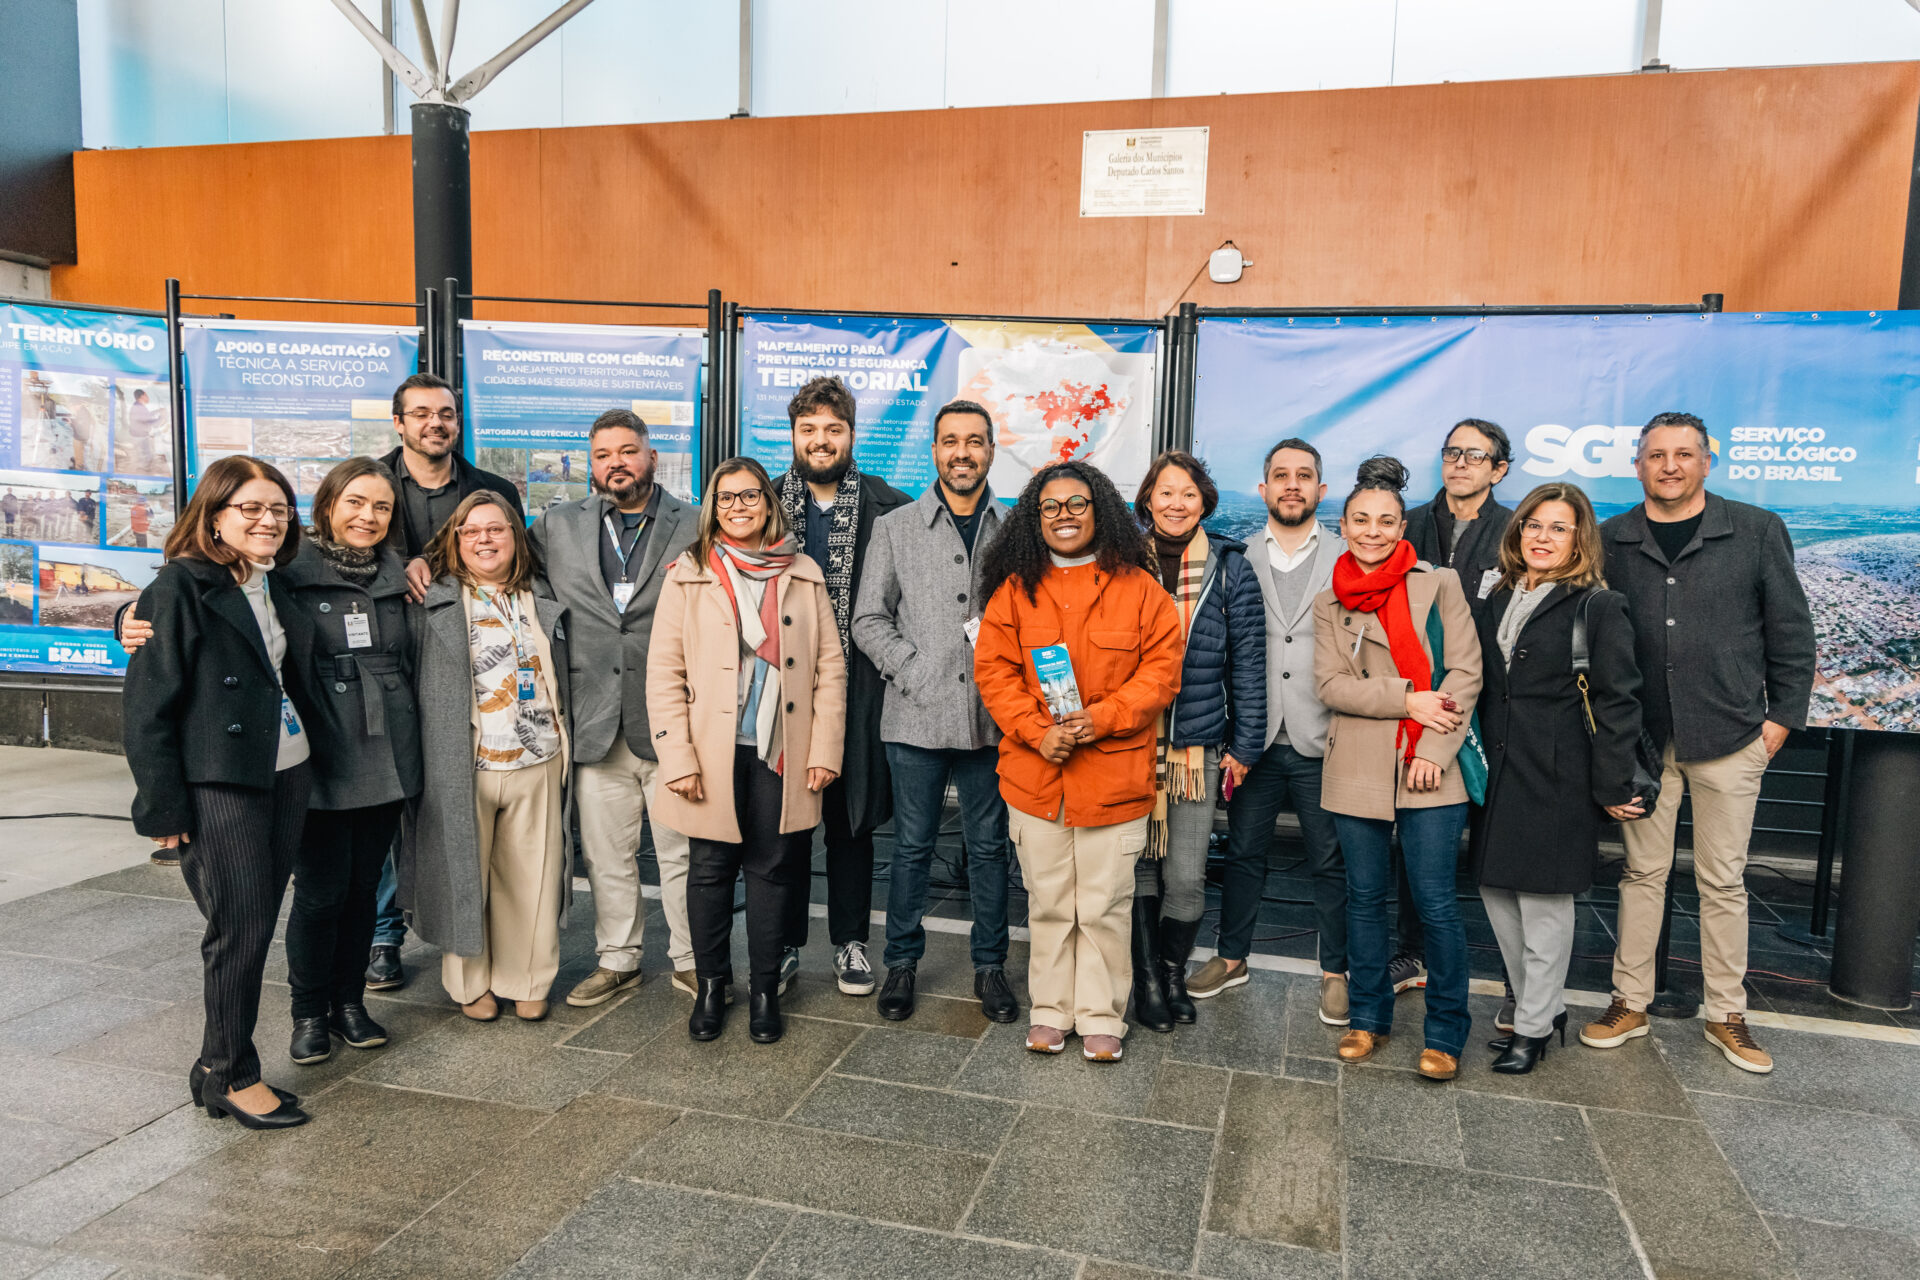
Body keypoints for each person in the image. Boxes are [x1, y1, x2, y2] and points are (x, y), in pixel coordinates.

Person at [118, 458, 424, 1066]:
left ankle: (347, 1003)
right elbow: (181, 629)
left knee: (362, 889)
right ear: (327, 506)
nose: (368, 516)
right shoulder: (284, 568)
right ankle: (302, 1016)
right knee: (316, 893)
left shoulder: (381, 573)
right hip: (301, 758)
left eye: (382, 506)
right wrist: (126, 618)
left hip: (359, 754)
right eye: (355, 502)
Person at [1583, 412, 1815, 1074]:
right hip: (1642, 741)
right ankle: (1629, 1001)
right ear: (1638, 465)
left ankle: (1726, 1013)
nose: (1670, 466)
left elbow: (1792, 633)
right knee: (1641, 874)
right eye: (1657, 455)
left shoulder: (1756, 530)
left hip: (1731, 735)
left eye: (1684, 454)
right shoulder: (1611, 538)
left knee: (1723, 881)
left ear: (1706, 462)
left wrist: (1779, 721)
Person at [121, 455, 318, 1129]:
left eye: (279, 510)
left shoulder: (272, 580)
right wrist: (162, 807)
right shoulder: (180, 586)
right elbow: (147, 707)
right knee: (240, 927)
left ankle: (214, 1068)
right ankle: (233, 1074)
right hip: (221, 781)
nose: (268, 521)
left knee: (254, 922)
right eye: (251, 508)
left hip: (287, 768)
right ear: (213, 516)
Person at [975, 461, 1183, 1063]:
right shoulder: (1015, 590)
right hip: (1035, 775)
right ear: (1034, 518)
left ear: (1102, 512)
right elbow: (994, 672)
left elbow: (1161, 674)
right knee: (1048, 903)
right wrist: (1037, 732)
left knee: (1103, 905)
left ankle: (1100, 1015)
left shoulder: (1141, 589)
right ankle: (1050, 1010)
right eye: (1051, 506)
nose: (1063, 516)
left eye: (1077, 504)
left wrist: (1104, 717)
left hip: (1113, 776)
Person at [646, 457, 847, 1045]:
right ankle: (712, 986)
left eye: (750, 495)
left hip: (782, 748)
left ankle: (764, 990)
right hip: (709, 751)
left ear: (768, 502)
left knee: (774, 869)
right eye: (727, 497)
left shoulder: (803, 571)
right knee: (709, 871)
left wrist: (824, 749)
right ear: (713, 506)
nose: (738, 506)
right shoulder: (688, 572)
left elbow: (830, 670)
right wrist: (677, 757)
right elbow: (663, 673)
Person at [1312, 455, 1482, 1081]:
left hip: (1432, 761)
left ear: (1402, 528)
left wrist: (1432, 750)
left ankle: (1446, 1032)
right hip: (1357, 762)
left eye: (1386, 521)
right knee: (1363, 901)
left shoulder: (1439, 585)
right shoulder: (1329, 601)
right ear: (1344, 525)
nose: (1373, 531)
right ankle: (1366, 1018)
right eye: (1361, 520)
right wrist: (1406, 698)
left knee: (1435, 904)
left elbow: (1465, 673)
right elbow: (1330, 685)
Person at [851, 399, 1018, 1024]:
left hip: (993, 719)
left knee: (989, 848)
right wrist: (915, 670)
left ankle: (990, 967)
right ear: (935, 452)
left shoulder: (1017, 529)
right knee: (913, 847)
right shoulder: (896, 527)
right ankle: (901, 962)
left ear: (991, 451)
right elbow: (869, 618)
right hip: (915, 717)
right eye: (951, 441)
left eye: (974, 441)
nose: (962, 453)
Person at [528, 410, 699, 1005]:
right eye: (603, 455)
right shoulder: (555, 526)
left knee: (681, 853)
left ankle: (691, 959)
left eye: (627, 451)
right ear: (591, 463)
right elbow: (513, 577)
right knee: (606, 854)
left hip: (674, 720)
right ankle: (618, 958)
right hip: (594, 717)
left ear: (651, 456)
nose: (616, 463)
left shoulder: (695, 522)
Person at [1473, 484, 1645, 1074]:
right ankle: (1541, 1011)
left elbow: (1619, 701)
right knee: (1496, 892)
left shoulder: (1598, 606)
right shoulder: (1497, 595)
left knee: (1543, 904)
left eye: (1558, 528)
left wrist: (1614, 784)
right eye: (1533, 525)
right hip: (1499, 772)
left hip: (1558, 775)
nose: (1542, 537)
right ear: (1518, 531)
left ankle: (1531, 1027)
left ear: (1580, 539)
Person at [367, 373, 523, 992]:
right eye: (422, 414)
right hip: (389, 661)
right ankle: (384, 934)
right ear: (399, 423)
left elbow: (516, 564)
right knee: (391, 800)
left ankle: (474, 926)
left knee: (453, 803)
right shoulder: (371, 484)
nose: (436, 423)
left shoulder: (492, 491)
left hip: (468, 668)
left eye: (447, 413)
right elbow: (338, 548)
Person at [1190, 438, 1349, 1028]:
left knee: (1329, 860)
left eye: (1304, 476)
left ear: (1320, 490)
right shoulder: (1235, 556)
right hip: (1252, 739)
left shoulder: (1347, 555)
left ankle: (1336, 972)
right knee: (1243, 853)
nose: (1292, 485)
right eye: (1281, 475)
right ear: (1263, 489)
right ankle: (1232, 957)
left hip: (1325, 736)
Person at [403, 491, 572, 1023]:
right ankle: (469, 982)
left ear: (515, 536)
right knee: (464, 877)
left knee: (531, 878)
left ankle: (527, 978)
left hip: (537, 758)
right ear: (455, 541)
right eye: (471, 531)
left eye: (495, 529)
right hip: (463, 765)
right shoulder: (430, 599)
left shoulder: (540, 593)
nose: (484, 540)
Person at [771, 376, 910, 997]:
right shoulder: (765, 504)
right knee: (785, 822)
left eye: (833, 429)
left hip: (859, 690)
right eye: (808, 429)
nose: (820, 440)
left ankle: (850, 942)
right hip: (780, 688)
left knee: (851, 824)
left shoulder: (892, 507)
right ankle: (783, 942)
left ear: (852, 434)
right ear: (793, 435)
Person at [1128, 450, 1265, 1032]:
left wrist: (1246, 744)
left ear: (1204, 502)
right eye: (1166, 492)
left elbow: (1249, 664)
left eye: (1188, 493)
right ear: (1148, 499)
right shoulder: (1119, 561)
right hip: (1128, 742)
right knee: (1138, 868)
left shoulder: (1230, 568)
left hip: (1196, 748)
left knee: (1185, 875)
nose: (1176, 503)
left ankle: (1172, 974)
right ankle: (1146, 983)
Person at [1394, 417, 1515, 997]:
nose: (1460, 463)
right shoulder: (1408, 524)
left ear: (1499, 470)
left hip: (1495, 705)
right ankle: (1411, 952)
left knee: (1497, 841)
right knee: (1414, 837)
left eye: (1475, 455)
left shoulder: (1515, 530)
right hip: (1416, 705)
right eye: (1452, 452)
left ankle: (1516, 978)